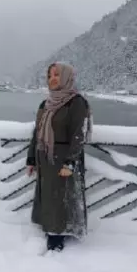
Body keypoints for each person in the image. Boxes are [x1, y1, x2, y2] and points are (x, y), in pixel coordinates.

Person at [26, 62, 93, 252]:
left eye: (56, 75)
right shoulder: (46, 104)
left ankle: (57, 239)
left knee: (61, 198)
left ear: (66, 77)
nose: (52, 79)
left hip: (63, 159)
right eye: (49, 76)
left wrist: (70, 162)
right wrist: (31, 159)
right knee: (48, 196)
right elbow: (37, 133)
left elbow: (78, 135)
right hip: (45, 158)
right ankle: (48, 228)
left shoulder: (76, 102)